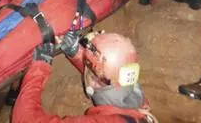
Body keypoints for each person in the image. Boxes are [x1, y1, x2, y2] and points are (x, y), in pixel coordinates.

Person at [12, 31, 157, 122]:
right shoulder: (138, 100)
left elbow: (24, 119)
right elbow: (103, 77)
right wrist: (76, 52)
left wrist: (39, 68)